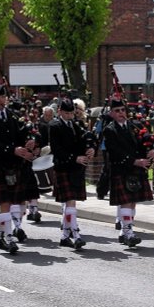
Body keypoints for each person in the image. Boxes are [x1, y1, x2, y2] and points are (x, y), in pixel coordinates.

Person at [0, 84, 37, 254]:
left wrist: (29, 140)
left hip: (14, 165)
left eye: (3, 97)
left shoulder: (13, 116)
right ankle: (7, 238)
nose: (0, 100)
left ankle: (1, 237)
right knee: (5, 203)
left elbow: (22, 134)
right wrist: (13, 150)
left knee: (13, 202)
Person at [103, 98, 154, 247]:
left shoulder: (135, 126)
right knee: (126, 201)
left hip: (136, 169)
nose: (121, 113)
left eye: (123, 110)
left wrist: (152, 149)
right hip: (122, 168)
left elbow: (147, 139)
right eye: (117, 111)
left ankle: (126, 231)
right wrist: (134, 161)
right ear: (112, 113)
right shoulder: (110, 130)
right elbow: (115, 152)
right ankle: (128, 232)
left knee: (133, 202)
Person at [49, 98, 95, 250]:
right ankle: (75, 235)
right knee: (70, 202)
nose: (70, 116)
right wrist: (75, 158)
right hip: (63, 167)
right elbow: (57, 149)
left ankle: (64, 236)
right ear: (60, 111)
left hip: (75, 169)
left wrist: (90, 148)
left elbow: (84, 141)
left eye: (71, 113)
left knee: (71, 202)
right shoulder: (54, 126)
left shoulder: (76, 125)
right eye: (67, 113)